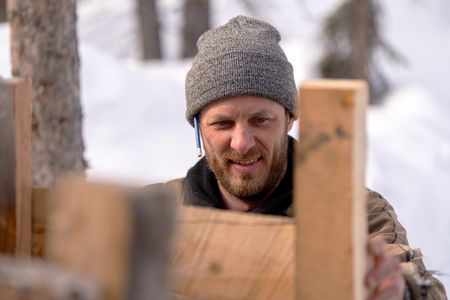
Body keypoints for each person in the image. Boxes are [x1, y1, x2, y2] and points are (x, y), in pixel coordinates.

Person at [161, 16, 447, 299]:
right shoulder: (157, 215)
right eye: (222, 124)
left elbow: (414, 281)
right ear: (198, 128)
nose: (242, 142)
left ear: (289, 119)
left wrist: (401, 291)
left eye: (261, 120)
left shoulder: (354, 213)